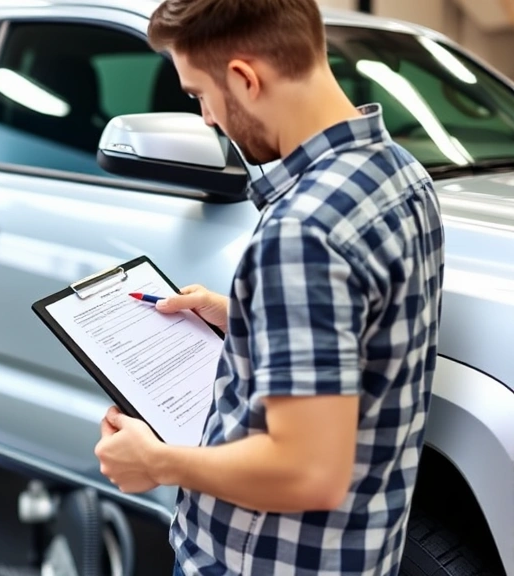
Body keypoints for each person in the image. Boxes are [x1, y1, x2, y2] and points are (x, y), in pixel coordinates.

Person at [92, 1, 445, 575]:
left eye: (199, 94)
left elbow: (308, 471)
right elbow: (370, 337)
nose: (207, 118)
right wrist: (243, 316)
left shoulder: (303, 229)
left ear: (244, 78)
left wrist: (158, 463)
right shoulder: (400, 173)